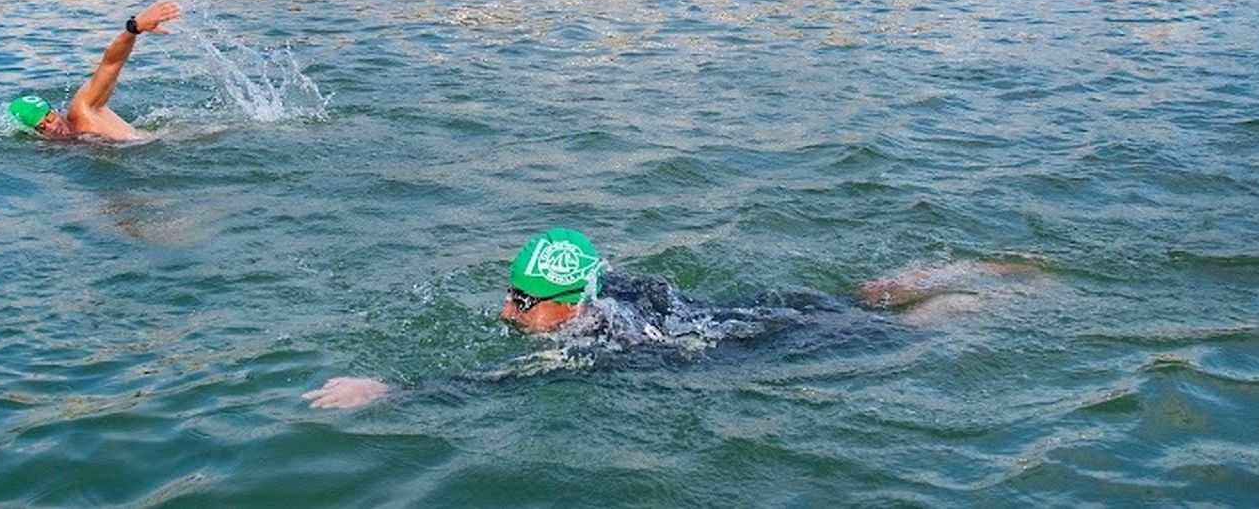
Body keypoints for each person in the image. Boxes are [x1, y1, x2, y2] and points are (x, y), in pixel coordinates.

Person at [304, 228, 1042, 410]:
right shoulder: (606, 290)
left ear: (567, 308)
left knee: (893, 329)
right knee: (858, 296)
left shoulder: (595, 339)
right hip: (747, 312)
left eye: (522, 300)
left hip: (763, 344)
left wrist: (392, 390)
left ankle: (965, 300)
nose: (505, 309)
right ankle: (931, 275)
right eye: (509, 291)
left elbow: (494, 384)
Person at [5, 0, 182, 141]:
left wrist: (134, 28)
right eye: (41, 127)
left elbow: (111, 64)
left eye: (49, 118)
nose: (51, 127)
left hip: (173, 143)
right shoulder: (56, 146)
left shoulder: (83, 110)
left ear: (54, 110)